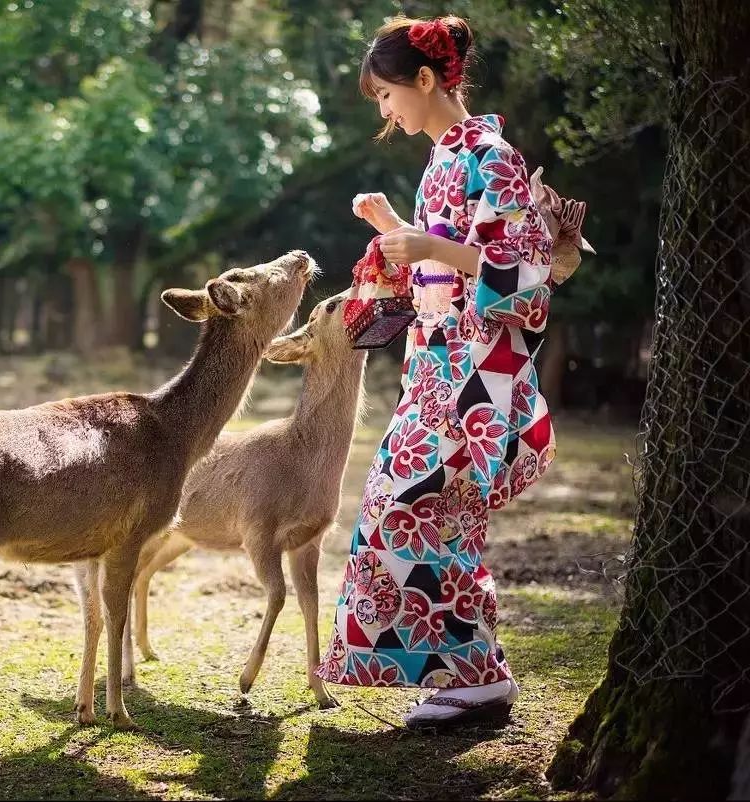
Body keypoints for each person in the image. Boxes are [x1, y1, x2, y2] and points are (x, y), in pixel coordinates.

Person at [314, 14, 556, 728]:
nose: (385, 111)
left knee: (418, 513)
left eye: (387, 95)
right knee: (418, 517)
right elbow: (440, 264)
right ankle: (476, 673)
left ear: (424, 81)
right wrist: (397, 230)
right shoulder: (445, 159)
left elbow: (527, 270)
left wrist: (426, 245)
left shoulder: (492, 154)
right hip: (438, 372)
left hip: (479, 374)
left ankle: (479, 676)